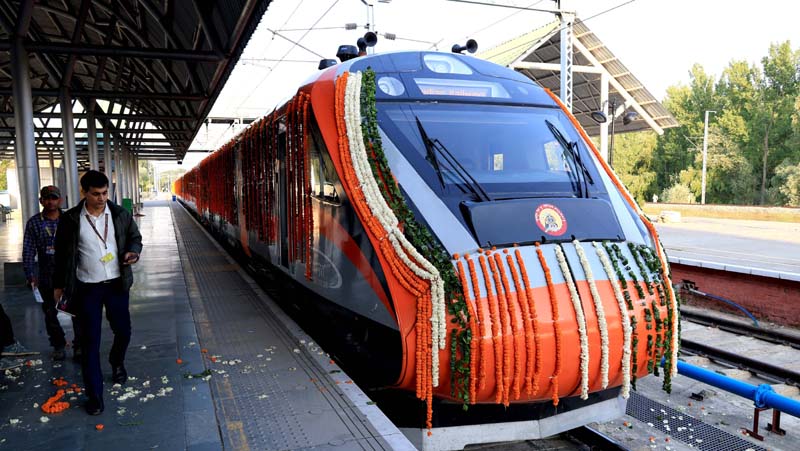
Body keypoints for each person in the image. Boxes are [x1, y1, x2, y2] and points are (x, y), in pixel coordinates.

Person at [53, 170, 142, 415]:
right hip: (86, 288)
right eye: (95, 194)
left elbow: (135, 237)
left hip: (116, 284)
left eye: (104, 193)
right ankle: (94, 395)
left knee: (123, 331)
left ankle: (116, 361)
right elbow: (61, 255)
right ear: (84, 192)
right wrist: (58, 286)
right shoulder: (71, 219)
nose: (101, 198)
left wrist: (133, 252)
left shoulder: (120, 214)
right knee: (89, 342)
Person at [23, 185, 83, 361]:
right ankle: (58, 344)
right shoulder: (34, 223)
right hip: (47, 276)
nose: (51, 202)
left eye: (54, 198)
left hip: (71, 274)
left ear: (60, 200)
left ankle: (79, 345)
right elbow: (28, 250)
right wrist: (30, 275)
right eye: (47, 198)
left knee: (77, 312)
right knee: (50, 313)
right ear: (41, 201)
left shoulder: (70, 220)